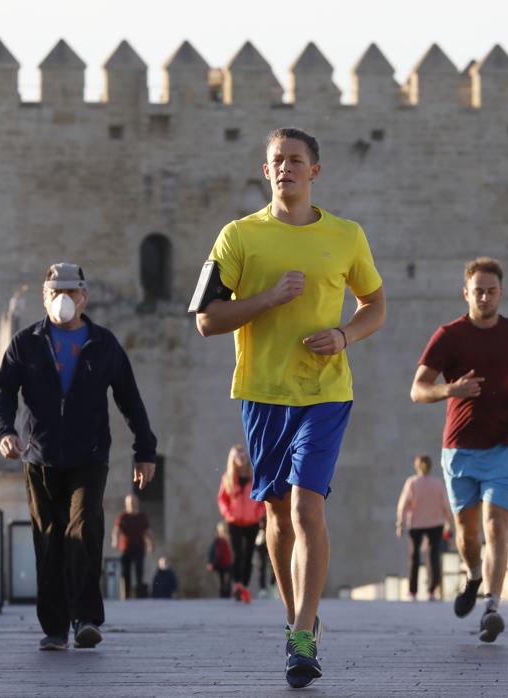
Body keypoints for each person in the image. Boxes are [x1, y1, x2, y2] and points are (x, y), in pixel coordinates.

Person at [192, 127, 386, 688]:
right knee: (277, 513)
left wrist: (346, 337)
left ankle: (303, 634)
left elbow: (375, 306)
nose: (286, 169)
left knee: (306, 508)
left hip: (326, 392)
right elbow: (206, 320)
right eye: (277, 161)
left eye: (296, 161)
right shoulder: (238, 237)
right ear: (266, 170)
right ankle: (295, 618)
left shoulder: (347, 236)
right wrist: (267, 299)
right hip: (262, 393)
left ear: (315, 171)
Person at [0, 262, 158, 652]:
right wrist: (5, 431)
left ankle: (85, 618)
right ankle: (54, 627)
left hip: (89, 455)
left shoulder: (103, 344)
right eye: (55, 294)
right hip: (40, 456)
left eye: (70, 293)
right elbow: (4, 391)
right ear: (45, 298)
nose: (63, 300)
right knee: (48, 539)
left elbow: (129, 399)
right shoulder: (26, 342)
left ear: (83, 298)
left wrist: (144, 450)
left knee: (83, 530)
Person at [410, 256, 508, 644]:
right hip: (460, 450)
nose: (484, 297)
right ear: (466, 293)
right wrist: (450, 390)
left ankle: (492, 607)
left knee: (495, 526)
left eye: (491, 291)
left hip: (506, 447)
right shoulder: (449, 336)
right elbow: (418, 389)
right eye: (478, 291)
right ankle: (472, 576)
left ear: (501, 293)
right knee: (468, 535)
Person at [395, 454, 451, 601]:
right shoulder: (437, 483)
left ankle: (412, 592)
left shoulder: (412, 482)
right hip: (436, 524)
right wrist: (448, 523)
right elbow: (445, 504)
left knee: (414, 557)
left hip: (416, 524)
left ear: (417, 466)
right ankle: (432, 591)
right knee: (433, 557)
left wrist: (400, 524)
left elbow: (403, 505)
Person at [218, 444, 266, 604]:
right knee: (238, 553)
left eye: (243, 455)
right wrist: (228, 514)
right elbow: (222, 499)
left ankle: (244, 586)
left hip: (252, 521)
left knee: (249, 554)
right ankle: (237, 584)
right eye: (237, 456)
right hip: (235, 522)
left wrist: (258, 514)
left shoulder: (255, 476)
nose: (241, 458)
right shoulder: (228, 478)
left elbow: (262, 499)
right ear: (232, 459)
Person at [111, 494, 155, 599]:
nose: (132, 504)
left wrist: (151, 545)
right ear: (126, 504)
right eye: (130, 502)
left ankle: (140, 595)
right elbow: (116, 530)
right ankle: (126, 595)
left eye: (134, 502)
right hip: (126, 548)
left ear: (137, 503)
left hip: (139, 547)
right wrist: (115, 541)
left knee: (139, 571)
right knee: (125, 572)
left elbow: (148, 532)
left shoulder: (142, 516)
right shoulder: (123, 517)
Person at [207, 522, 235, 598]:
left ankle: (228, 594)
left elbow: (233, 551)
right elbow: (212, 552)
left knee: (229, 580)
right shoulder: (217, 541)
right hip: (220, 564)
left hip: (229, 563)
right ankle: (222, 595)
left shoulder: (230, 539)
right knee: (221, 580)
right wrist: (210, 562)